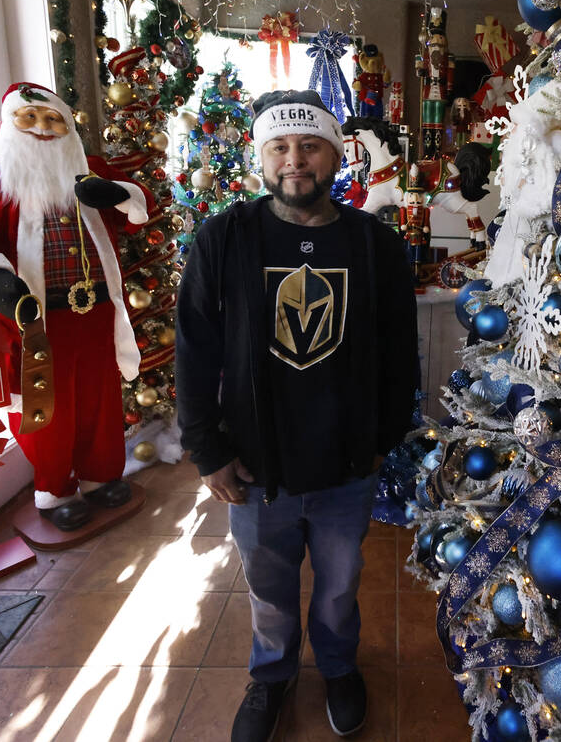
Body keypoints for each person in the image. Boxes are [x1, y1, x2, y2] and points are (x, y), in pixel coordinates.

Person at [175, 89, 420, 741]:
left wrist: (383, 437)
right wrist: (207, 450)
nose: (295, 160)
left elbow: (401, 353)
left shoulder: (374, 246)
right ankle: (273, 675)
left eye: (309, 145)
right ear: (261, 156)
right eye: (279, 147)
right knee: (268, 588)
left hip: (346, 463)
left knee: (339, 587)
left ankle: (339, 666)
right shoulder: (224, 238)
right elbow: (194, 351)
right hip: (256, 466)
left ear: (334, 154)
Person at [0, 82, 153, 530]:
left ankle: (101, 476)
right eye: (30, 118)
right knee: (46, 408)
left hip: (95, 311)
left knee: (100, 398)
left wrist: (114, 194)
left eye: (52, 119)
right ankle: (54, 489)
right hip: (35, 319)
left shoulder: (87, 169)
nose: (42, 128)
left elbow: (138, 209)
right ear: (9, 124)